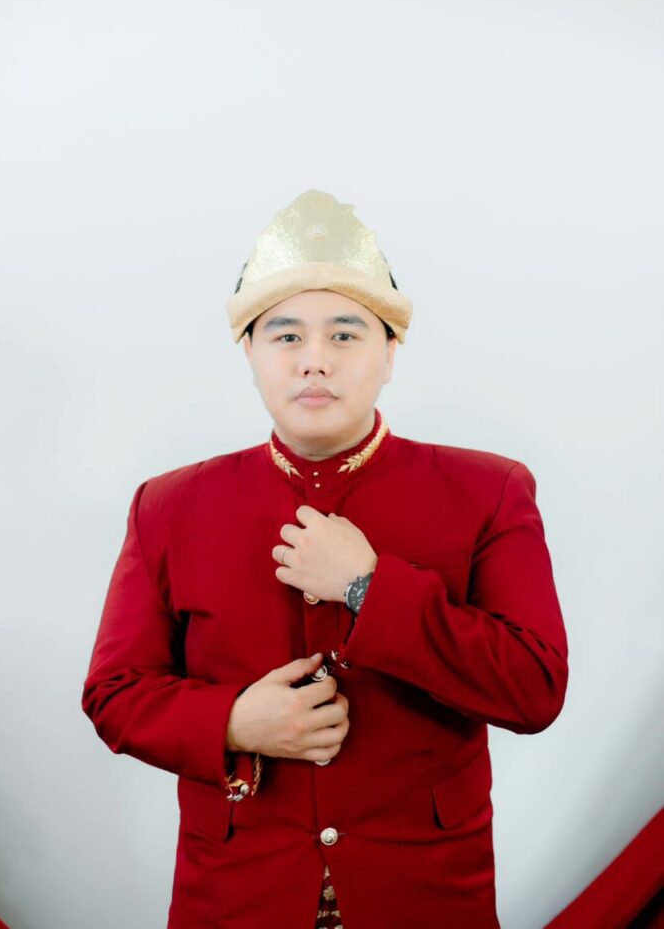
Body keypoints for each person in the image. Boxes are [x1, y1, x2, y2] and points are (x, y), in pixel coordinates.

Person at [81, 189, 569, 929]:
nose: (315, 361)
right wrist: (233, 722)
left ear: (390, 352)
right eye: (285, 336)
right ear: (250, 352)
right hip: (236, 898)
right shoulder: (169, 505)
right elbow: (114, 693)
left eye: (345, 334)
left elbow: (534, 689)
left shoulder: (488, 490)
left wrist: (368, 587)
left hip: (425, 896)